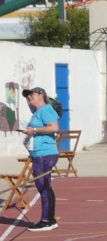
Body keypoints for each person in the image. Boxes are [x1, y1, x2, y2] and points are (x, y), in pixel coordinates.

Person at [20, 87, 61, 231]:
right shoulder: (37, 112)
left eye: (31, 95)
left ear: (41, 95)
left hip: (45, 153)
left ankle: (46, 221)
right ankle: (50, 220)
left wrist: (35, 130)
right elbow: (30, 104)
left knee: (43, 187)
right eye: (27, 96)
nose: (29, 97)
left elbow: (54, 127)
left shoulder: (46, 110)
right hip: (38, 154)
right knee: (44, 186)